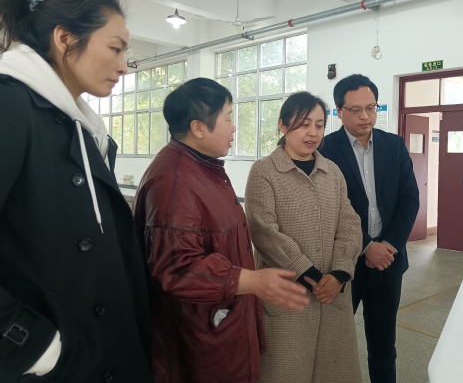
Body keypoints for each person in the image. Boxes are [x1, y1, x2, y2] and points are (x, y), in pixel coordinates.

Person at [0, 0, 151, 381]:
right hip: (55, 360)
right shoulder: (10, 104)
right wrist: (30, 344)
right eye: (115, 48)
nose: (124, 65)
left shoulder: (81, 125)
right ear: (65, 38)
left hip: (95, 343)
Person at [133, 78, 309, 383]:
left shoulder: (202, 169)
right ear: (199, 127)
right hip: (199, 340)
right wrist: (251, 280)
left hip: (221, 324)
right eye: (228, 118)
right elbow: (177, 268)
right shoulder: (175, 182)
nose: (234, 127)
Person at [244, 91, 363, 383]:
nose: (313, 133)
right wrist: (310, 274)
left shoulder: (332, 172)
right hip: (288, 297)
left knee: (334, 372)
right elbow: (263, 230)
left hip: (331, 295)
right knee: (286, 371)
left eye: (319, 125)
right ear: (283, 125)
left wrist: (339, 273)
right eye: (303, 124)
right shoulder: (264, 171)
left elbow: (349, 224)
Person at [320, 74, 420, 383]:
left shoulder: (393, 145)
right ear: (339, 111)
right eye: (355, 109)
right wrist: (365, 245)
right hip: (343, 263)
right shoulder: (325, 149)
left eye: (371, 107)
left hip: (387, 262)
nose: (365, 116)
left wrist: (389, 245)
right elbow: (326, 208)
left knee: (383, 346)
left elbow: (409, 199)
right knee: (333, 344)